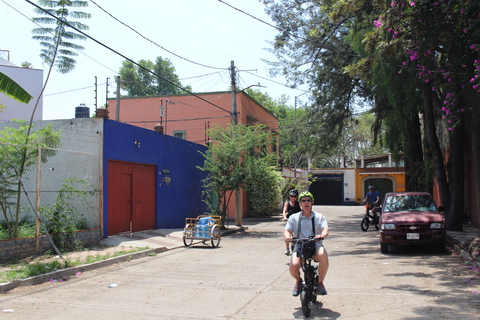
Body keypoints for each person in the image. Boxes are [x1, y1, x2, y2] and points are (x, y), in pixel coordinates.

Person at [284, 191, 329, 297]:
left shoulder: (319, 216)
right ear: (300, 204)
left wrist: (322, 235)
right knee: (293, 267)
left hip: (315, 244)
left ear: (312, 202)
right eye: (303, 200)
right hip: (300, 245)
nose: (306, 202)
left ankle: (320, 283)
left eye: (308, 200)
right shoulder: (294, 217)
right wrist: (288, 237)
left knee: (323, 254)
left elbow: (325, 229)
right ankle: (298, 281)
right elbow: (287, 231)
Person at [282, 189, 301, 255]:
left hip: (297, 221)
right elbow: (284, 211)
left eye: (295, 196)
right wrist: (285, 217)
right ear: (289, 196)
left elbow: (302, 210)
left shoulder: (299, 203)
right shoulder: (287, 203)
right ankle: (287, 248)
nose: (293, 198)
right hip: (289, 221)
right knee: (287, 234)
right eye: (292, 196)